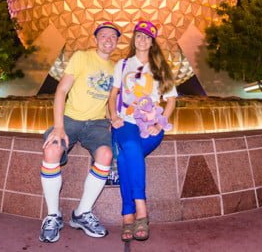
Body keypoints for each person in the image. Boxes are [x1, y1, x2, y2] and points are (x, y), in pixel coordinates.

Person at [39, 21, 121, 243]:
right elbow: (61, 90)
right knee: (52, 151)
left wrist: (114, 117)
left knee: (105, 155)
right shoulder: (81, 57)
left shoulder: (116, 68)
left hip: (96, 124)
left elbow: (111, 101)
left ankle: (81, 214)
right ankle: (53, 215)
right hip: (70, 119)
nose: (108, 40)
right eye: (104, 35)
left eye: (113, 37)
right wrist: (58, 126)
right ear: (96, 39)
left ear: (116, 42)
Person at [108, 20, 177, 242]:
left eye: (147, 37)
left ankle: (127, 215)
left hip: (151, 124)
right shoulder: (123, 63)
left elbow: (172, 100)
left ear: (152, 42)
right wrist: (114, 116)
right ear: (134, 39)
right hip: (126, 122)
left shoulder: (161, 68)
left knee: (128, 158)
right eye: (139, 35)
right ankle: (141, 211)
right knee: (130, 147)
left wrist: (161, 122)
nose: (142, 40)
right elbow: (113, 96)